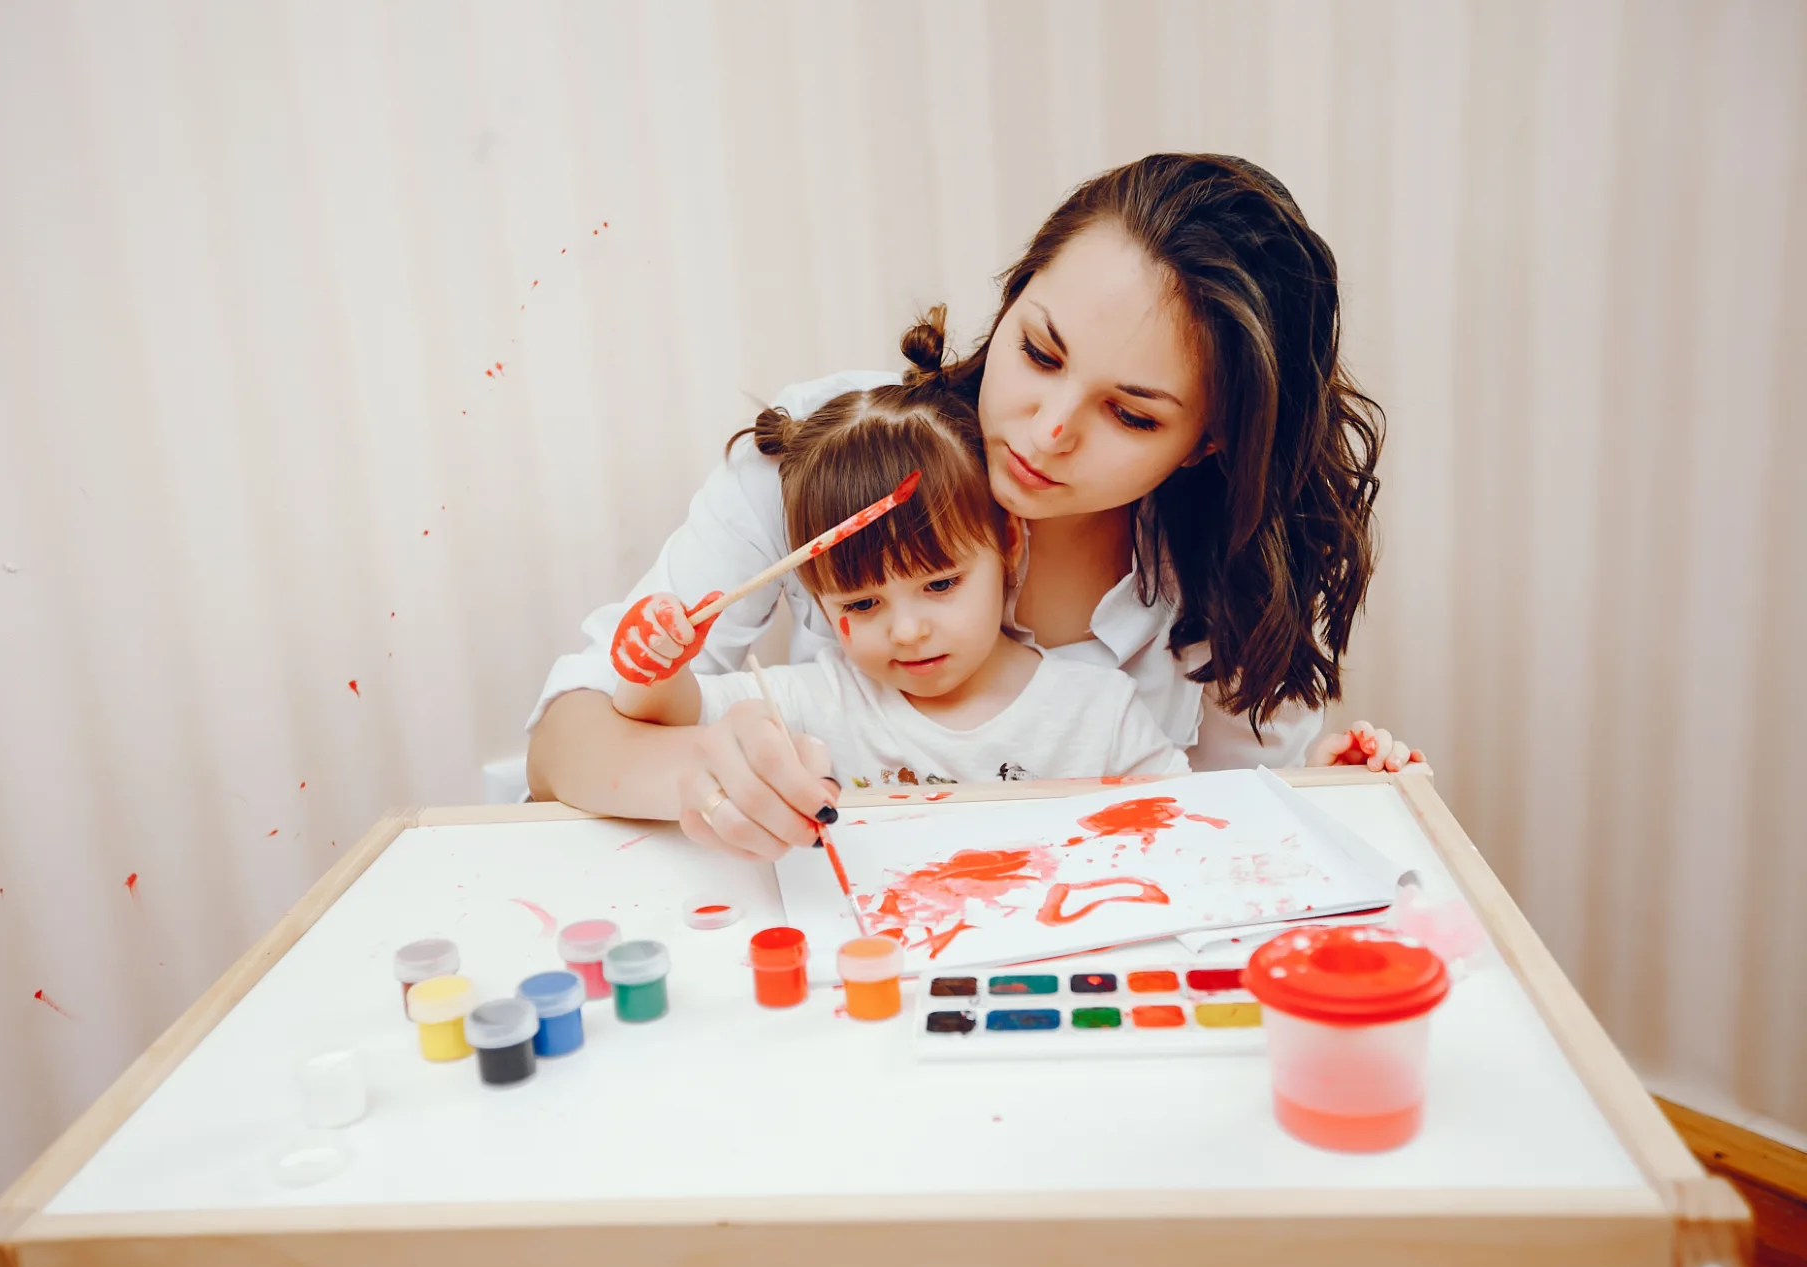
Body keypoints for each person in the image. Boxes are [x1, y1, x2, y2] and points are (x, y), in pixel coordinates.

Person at [529, 154, 1421, 862]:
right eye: (1037, 351)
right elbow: (565, 740)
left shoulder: (1225, 569)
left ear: (1209, 441)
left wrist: (1329, 790)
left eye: (1131, 413)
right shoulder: (834, 456)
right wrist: (706, 774)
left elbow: (1229, 817)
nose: (1050, 428)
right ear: (1013, 298)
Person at [611, 308, 1189, 813]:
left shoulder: (1099, 715)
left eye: (940, 585)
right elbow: (677, 714)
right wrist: (655, 666)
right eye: (862, 603)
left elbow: (1196, 823)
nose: (907, 631)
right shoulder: (817, 703)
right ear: (816, 592)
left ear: (1010, 541)